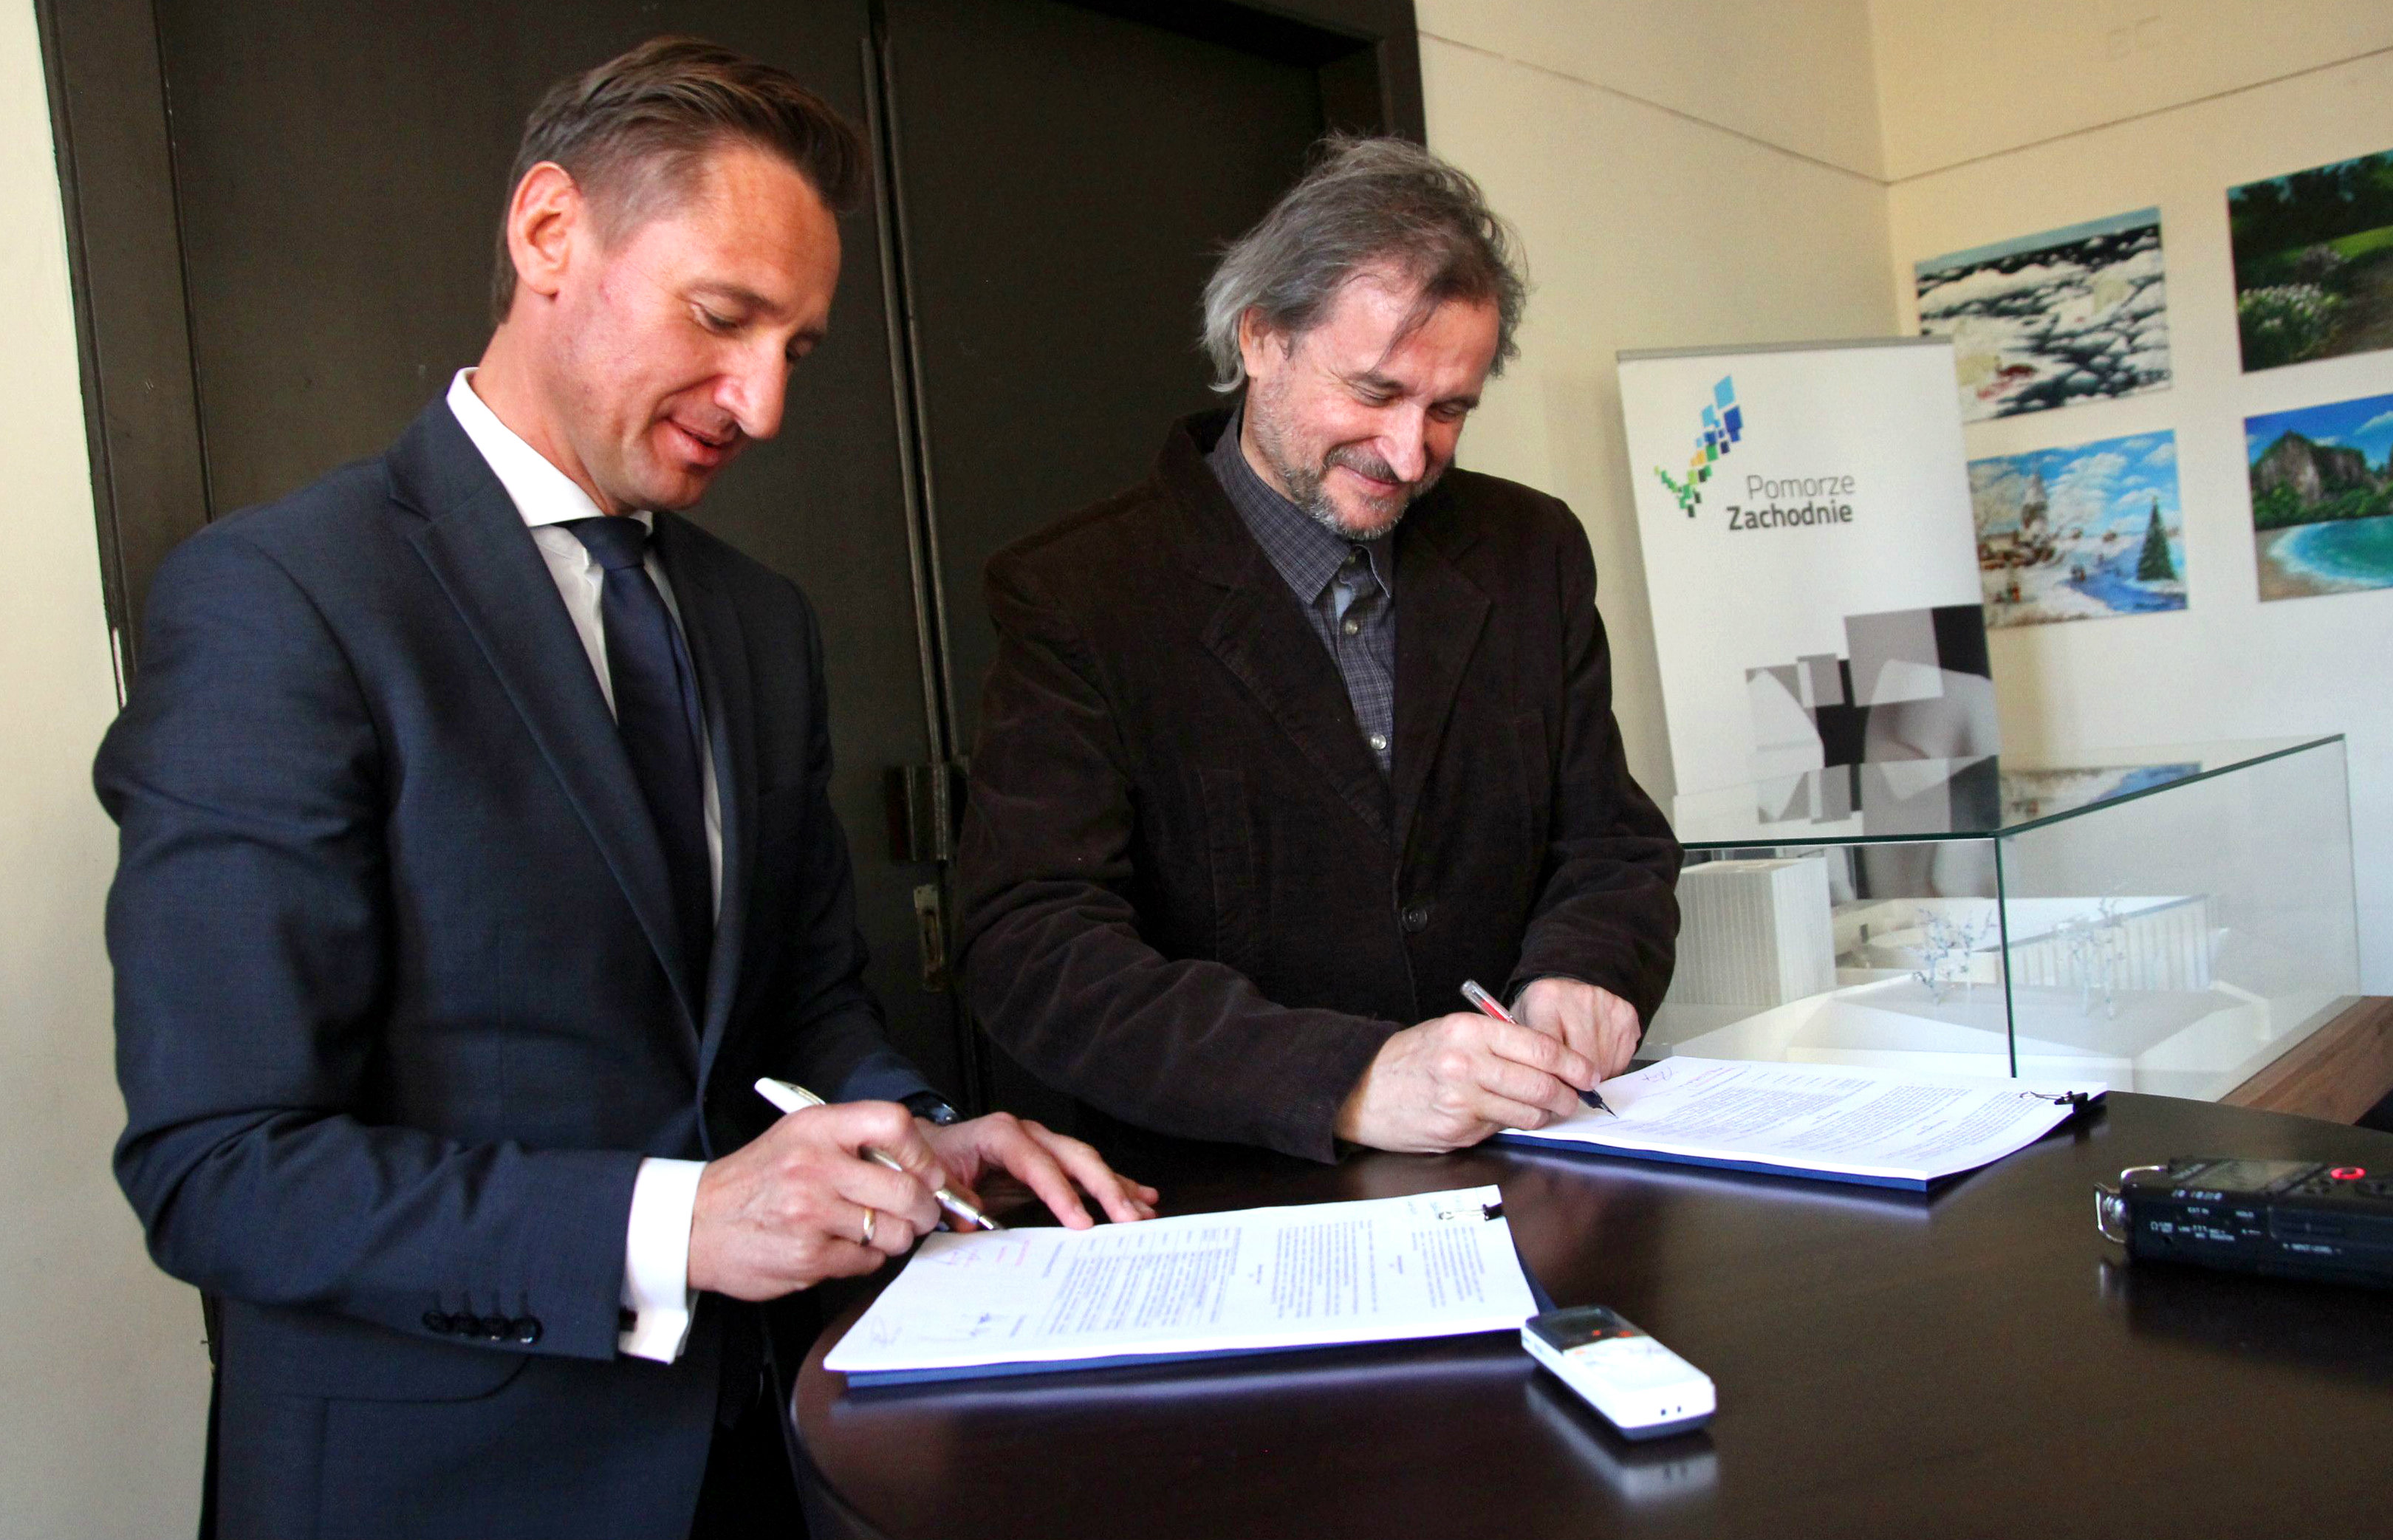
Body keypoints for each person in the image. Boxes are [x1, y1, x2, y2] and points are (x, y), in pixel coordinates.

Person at [95, 38, 1151, 1540]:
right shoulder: (285, 599)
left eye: (797, 350)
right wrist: (681, 1221)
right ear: (548, 233)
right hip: (439, 1490)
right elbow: (222, 1165)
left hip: (769, 1454)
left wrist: (911, 1126)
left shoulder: (758, 621)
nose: (762, 403)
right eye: (723, 318)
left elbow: (801, 1003)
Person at [955, 137, 1682, 1164]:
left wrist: (1588, 968)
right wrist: (1347, 1080)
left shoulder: (1532, 551)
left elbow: (1611, 841)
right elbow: (1034, 944)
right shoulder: (1081, 593)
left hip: (1530, 1162)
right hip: (1229, 1188)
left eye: (1450, 409)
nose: (1409, 452)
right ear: (1260, 339)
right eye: (1376, 393)